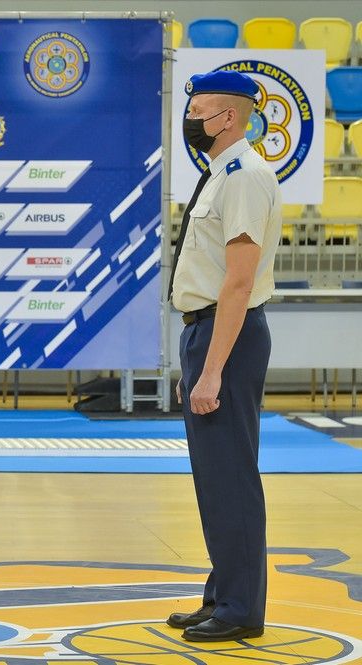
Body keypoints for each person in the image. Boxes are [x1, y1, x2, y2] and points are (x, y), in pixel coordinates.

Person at [167, 70, 282, 642]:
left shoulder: (244, 175)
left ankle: (241, 608)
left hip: (227, 338)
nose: (191, 120)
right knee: (215, 477)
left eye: (200, 110)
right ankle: (223, 593)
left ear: (228, 117)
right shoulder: (220, 174)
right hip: (209, 332)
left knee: (232, 474)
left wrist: (211, 369)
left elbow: (237, 283)